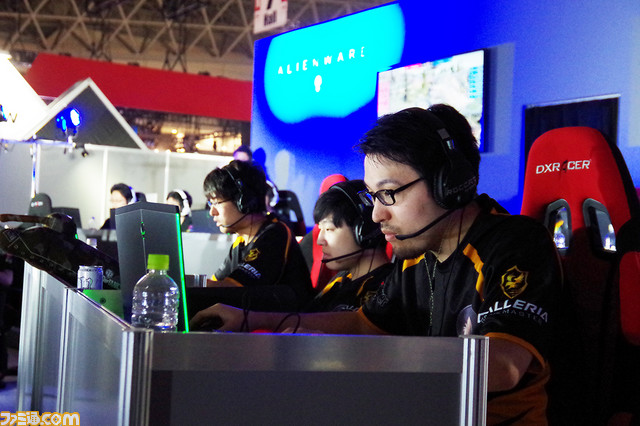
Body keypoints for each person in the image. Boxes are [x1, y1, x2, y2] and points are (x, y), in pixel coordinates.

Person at [191, 105, 561, 424]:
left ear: (449, 184)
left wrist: (343, 357)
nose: (377, 215)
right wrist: (250, 320)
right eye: (374, 197)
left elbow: (502, 366)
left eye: (388, 194)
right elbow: (364, 323)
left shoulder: (516, 243)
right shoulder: (417, 258)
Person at [204, 160, 314, 307]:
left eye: (217, 202)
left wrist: (181, 283)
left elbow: (234, 288)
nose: (212, 212)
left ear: (243, 201)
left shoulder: (275, 235)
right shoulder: (240, 242)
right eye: (210, 203)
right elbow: (217, 282)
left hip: (285, 320)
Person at [304, 179, 392, 312]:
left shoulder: (388, 288)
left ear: (364, 230)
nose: (320, 241)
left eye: (328, 229)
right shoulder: (340, 280)